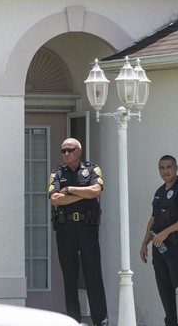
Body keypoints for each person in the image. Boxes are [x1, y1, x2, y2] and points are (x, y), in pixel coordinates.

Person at [48, 138, 108, 326]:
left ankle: (100, 320)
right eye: (63, 150)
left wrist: (70, 190)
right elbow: (55, 199)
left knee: (93, 275)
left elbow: (95, 192)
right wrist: (82, 193)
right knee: (69, 276)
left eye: (70, 150)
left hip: (87, 228)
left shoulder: (91, 170)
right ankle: (74, 321)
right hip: (65, 230)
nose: (66, 154)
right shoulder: (57, 173)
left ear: (79, 151)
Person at [140, 155, 178, 326]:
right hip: (159, 250)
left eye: (169, 167)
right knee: (165, 293)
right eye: (162, 168)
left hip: (177, 248)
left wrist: (167, 232)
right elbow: (153, 220)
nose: (165, 171)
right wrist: (144, 243)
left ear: (176, 168)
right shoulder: (159, 191)